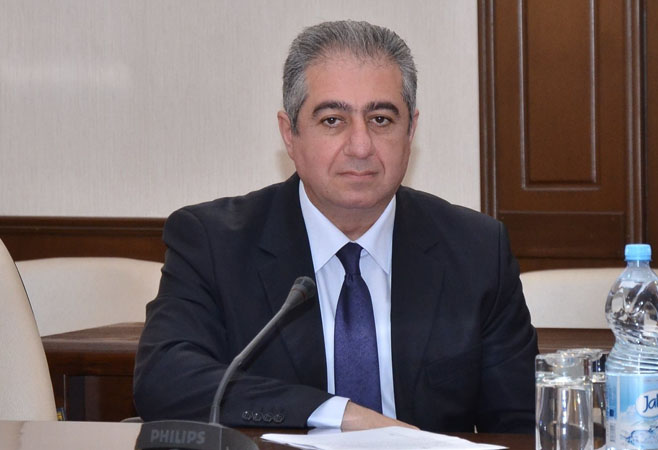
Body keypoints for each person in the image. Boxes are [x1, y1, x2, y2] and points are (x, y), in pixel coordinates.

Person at [133, 20, 538, 433]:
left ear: (411, 131)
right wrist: (337, 414)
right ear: (290, 134)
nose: (360, 146)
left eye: (381, 119)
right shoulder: (213, 242)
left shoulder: (477, 250)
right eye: (332, 120)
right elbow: (165, 379)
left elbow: (521, 422)